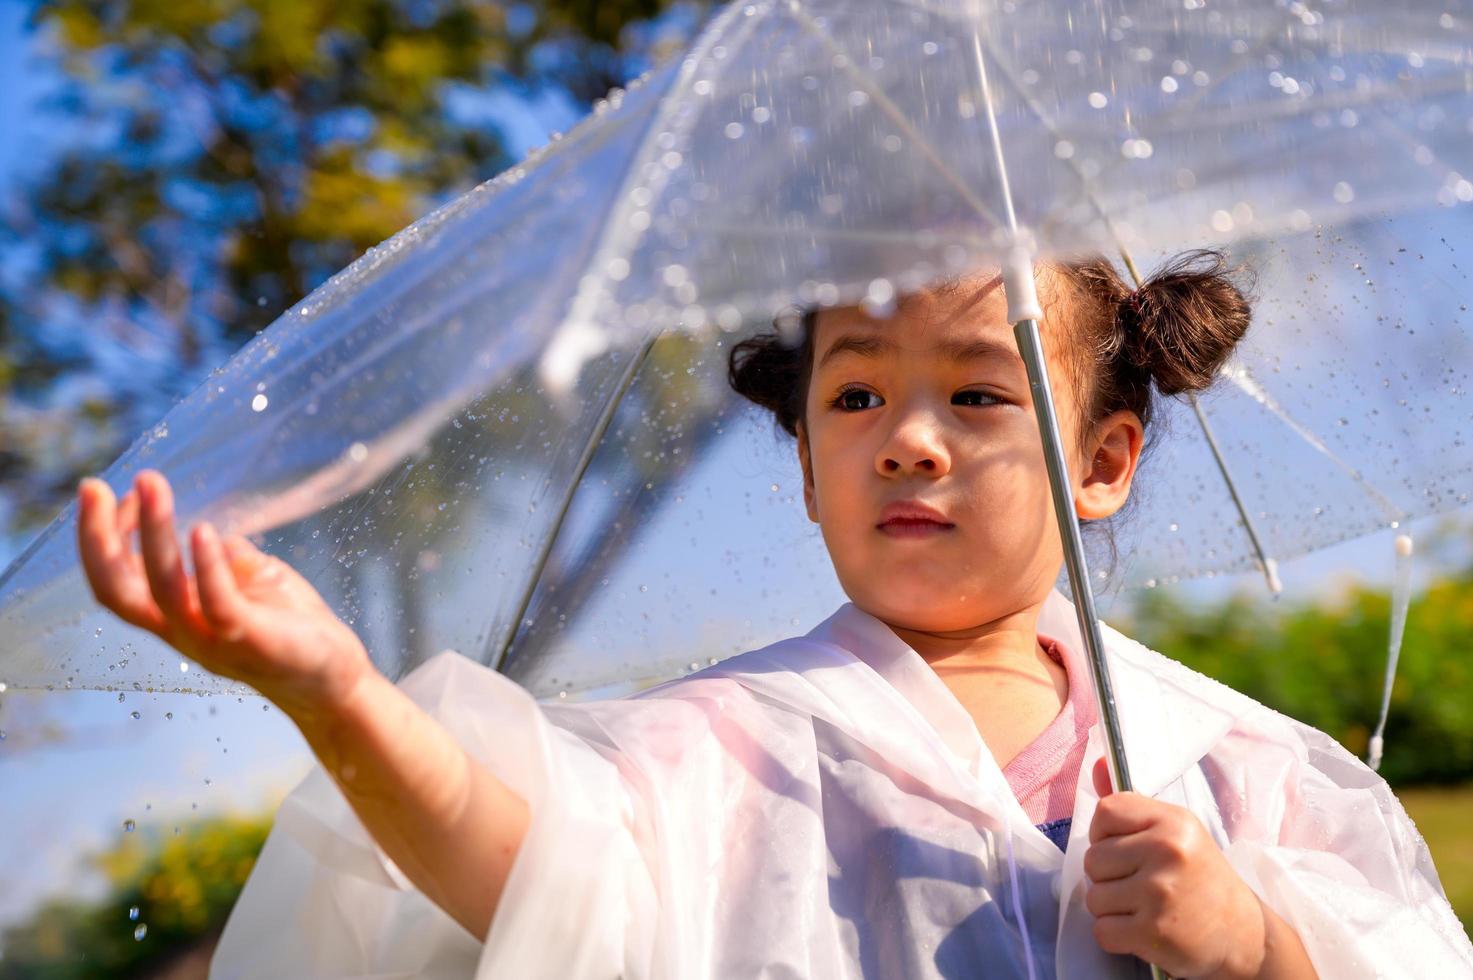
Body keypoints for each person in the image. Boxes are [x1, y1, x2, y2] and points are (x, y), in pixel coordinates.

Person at [75, 251, 1472, 978]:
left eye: (980, 394)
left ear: (1102, 461)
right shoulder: (716, 746)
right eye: (855, 396)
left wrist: (1251, 950)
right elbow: (538, 876)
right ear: (804, 464)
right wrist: (337, 694)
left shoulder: (1238, 769)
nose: (908, 441)